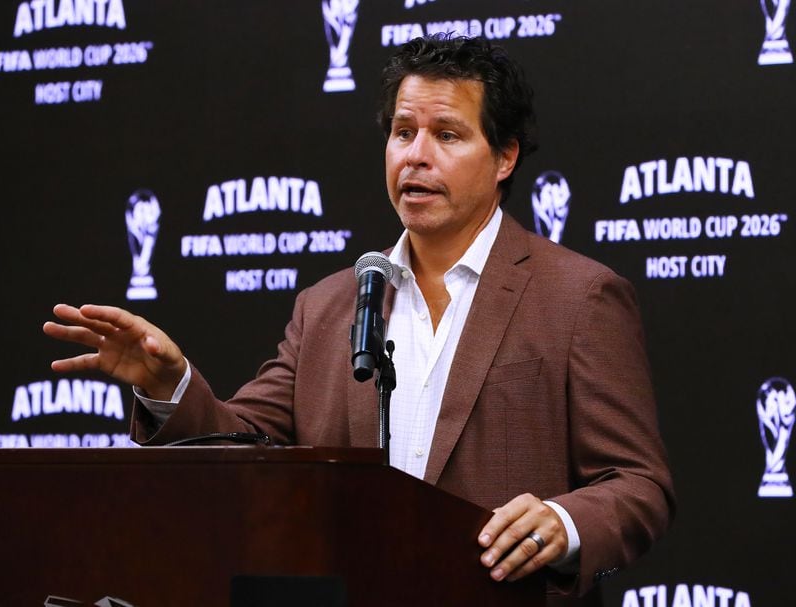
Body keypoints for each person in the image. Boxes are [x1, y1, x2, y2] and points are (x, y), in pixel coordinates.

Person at [44, 35, 674, 606]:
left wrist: (562, 524)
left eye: (448, 136)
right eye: (403, 133)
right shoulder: (329, 306)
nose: (417, 157)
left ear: (504, 156)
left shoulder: (579, 296)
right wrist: (169, 385)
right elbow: (246, 444)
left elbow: (638, 485)